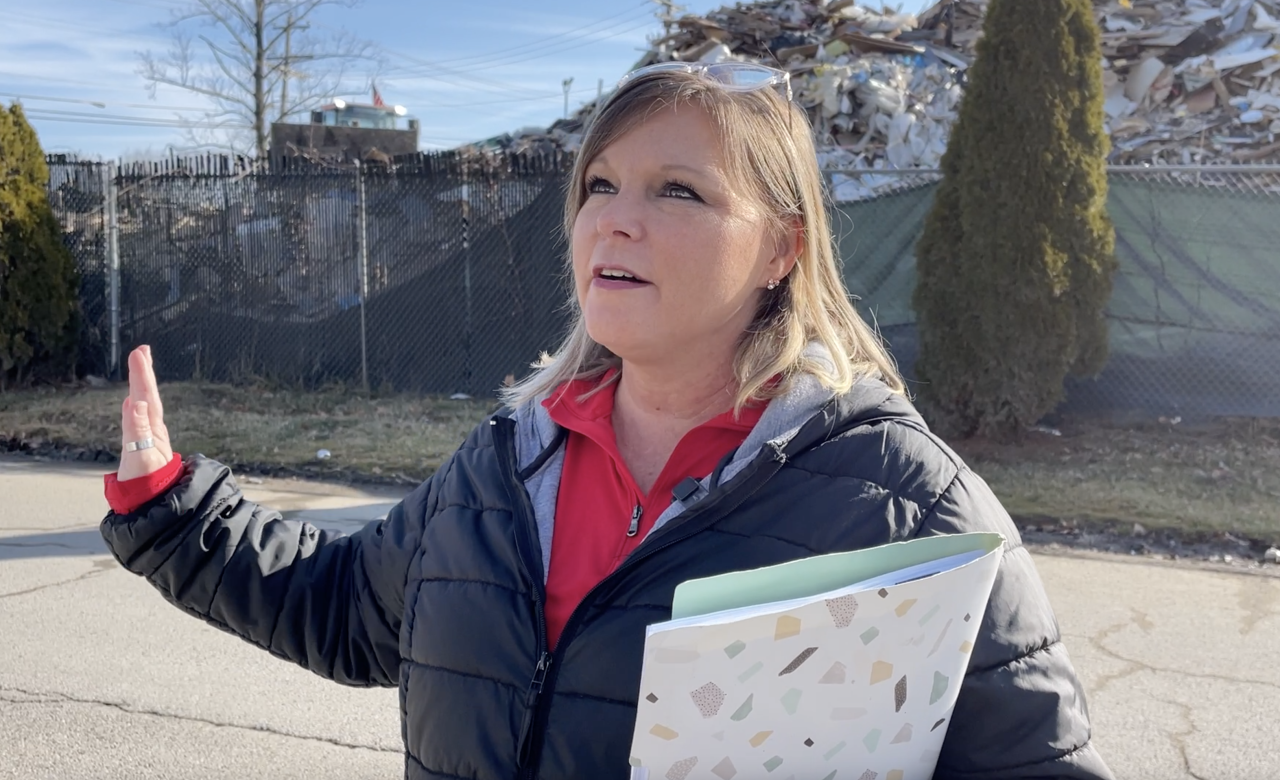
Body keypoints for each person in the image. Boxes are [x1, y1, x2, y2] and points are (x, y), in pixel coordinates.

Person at [101, 63, 1113, 780]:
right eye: (598, 186)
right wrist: (173, 511)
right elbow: (344, 612)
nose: (613, 219)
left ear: (780, 250)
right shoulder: (502, 468)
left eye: (677, 190)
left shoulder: (899, 505)